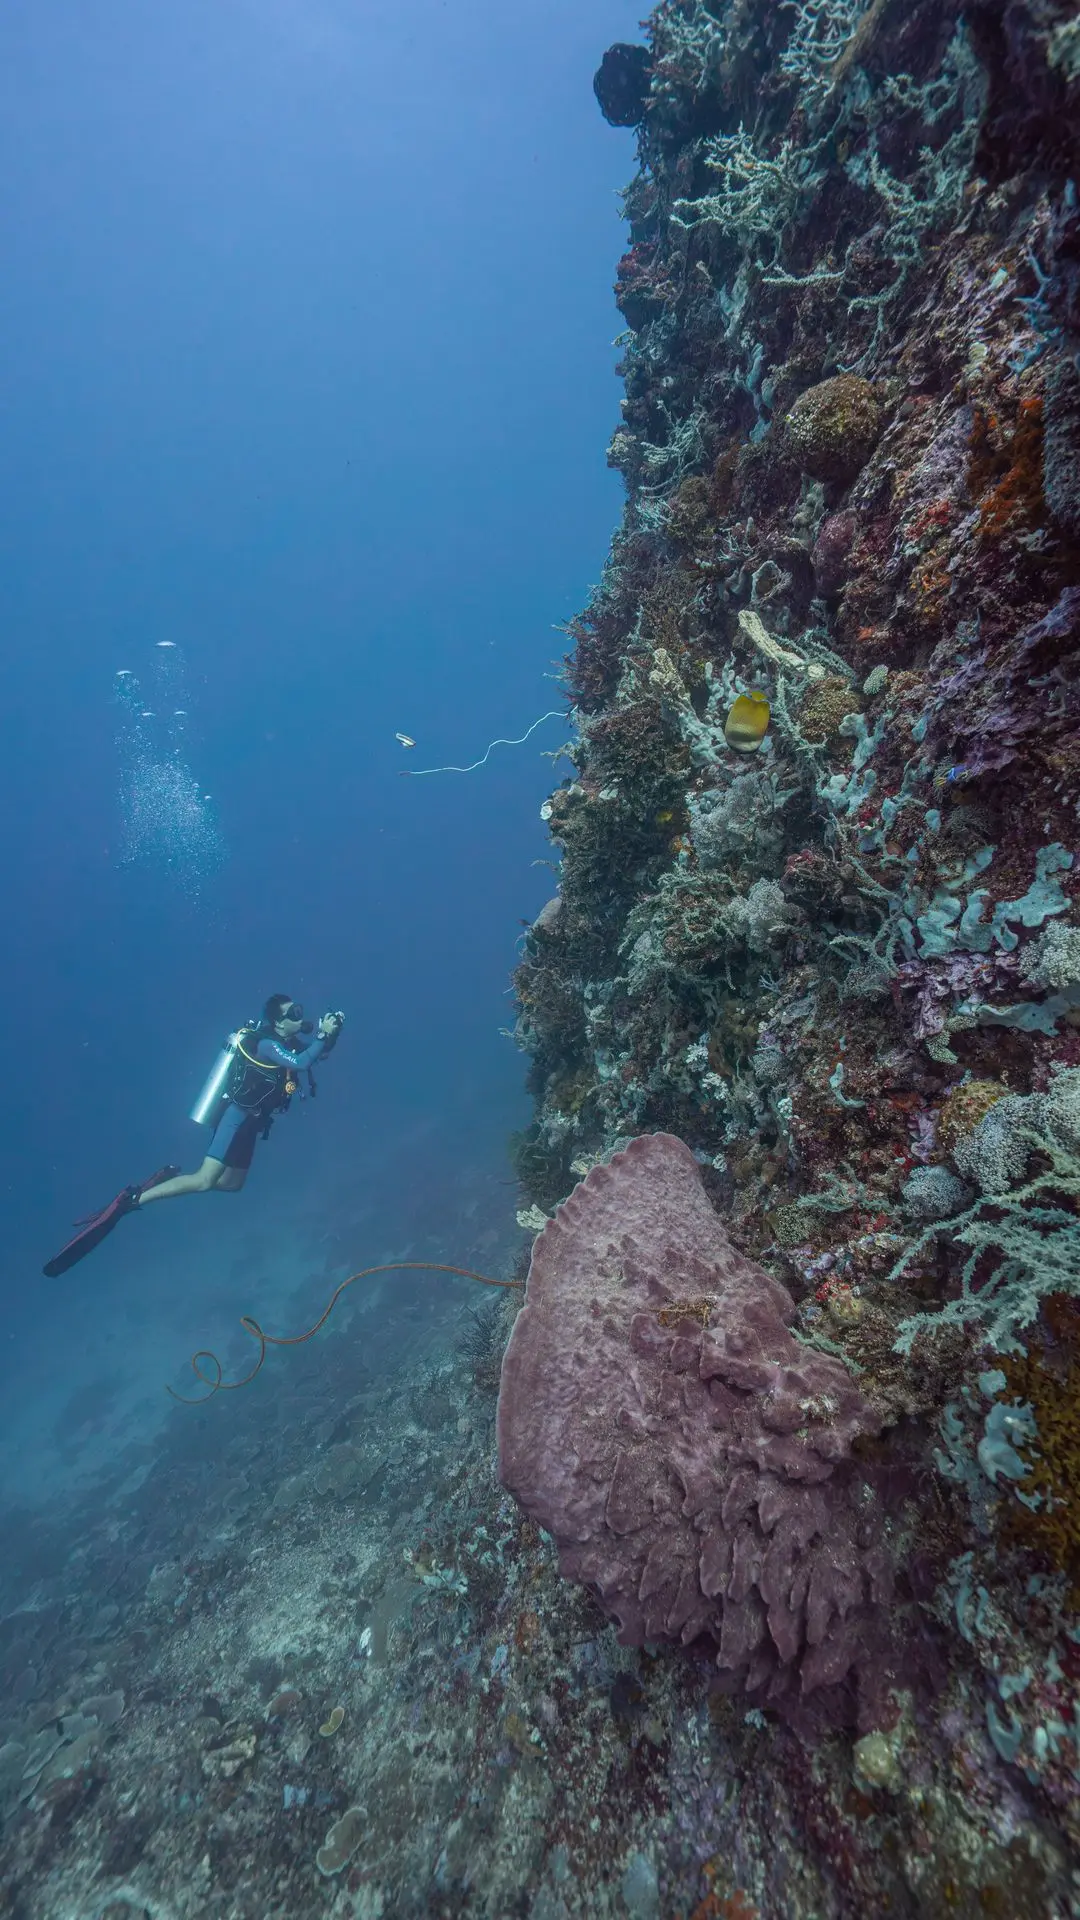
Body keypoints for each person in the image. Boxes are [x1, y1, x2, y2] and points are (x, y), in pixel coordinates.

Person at [42, 995, 345, 1276]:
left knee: (232, 1184)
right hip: (236, 1119)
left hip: (254, 1124)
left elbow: (316, 1055)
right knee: (204, 1180)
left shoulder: (287, 1041)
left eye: (299, 1011)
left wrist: (330, 1035)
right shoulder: (267, 1043)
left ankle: (166, 1182)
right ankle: (130, 1200)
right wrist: (320, 1036)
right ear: (278, 1021)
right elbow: (303, 1062)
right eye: (293, 1013)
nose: (299, 1015)